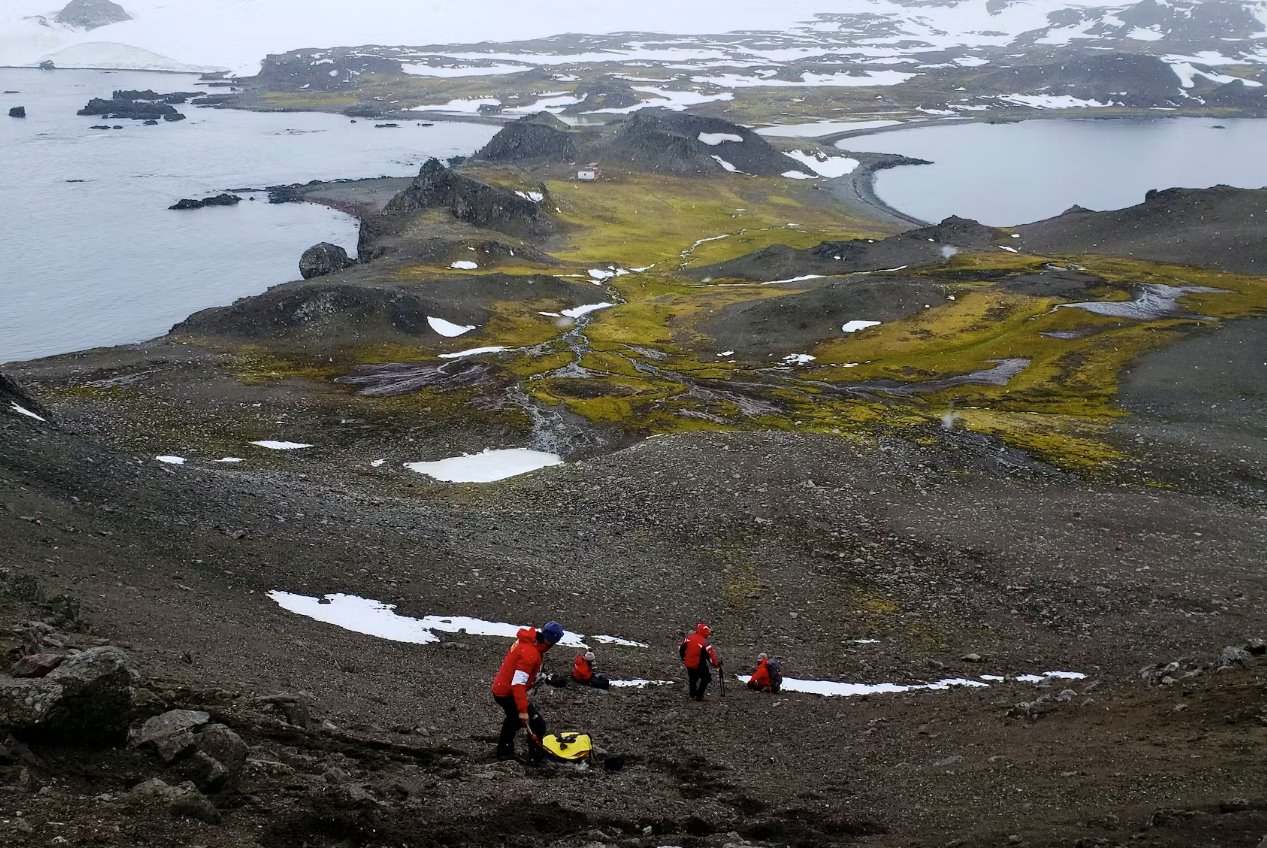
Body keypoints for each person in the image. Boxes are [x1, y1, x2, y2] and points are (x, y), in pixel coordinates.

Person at [491, 620, 564, 761]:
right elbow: (518, 683)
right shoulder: (530, 653)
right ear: (550, 641)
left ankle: (504, 751)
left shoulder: (528, 642)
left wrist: (543, 678)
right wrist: (523, 710)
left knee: (513, 719)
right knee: (537, 724)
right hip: (507, 693)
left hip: (501, 687)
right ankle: (534, 759)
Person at [679, 623, 720, 701]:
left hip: (688, 663)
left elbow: (681, 648)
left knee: (692, 678)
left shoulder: (688, 638)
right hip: (699, 664)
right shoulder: (705, 643)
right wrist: (716, 664)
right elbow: (711, 657)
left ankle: (692, 694)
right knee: (706, 678)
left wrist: (683, 658)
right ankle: (699, 695)